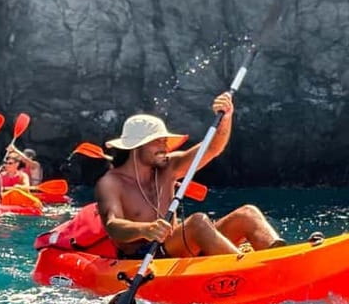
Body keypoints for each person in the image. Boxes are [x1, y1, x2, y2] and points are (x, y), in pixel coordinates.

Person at [95, 93, 286, 259]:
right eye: (157, 142)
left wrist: (226, 117)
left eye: (164, 141)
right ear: (136, 148)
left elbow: (212, 148)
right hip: (146, 256)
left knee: (247, 213)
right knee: (197, 222)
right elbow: (113, 225)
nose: (165, 147)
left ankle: (279, 257)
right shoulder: (111, 183)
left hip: (181, 247)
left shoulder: (168, 167)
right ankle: (244, 269)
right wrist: (145, 229)